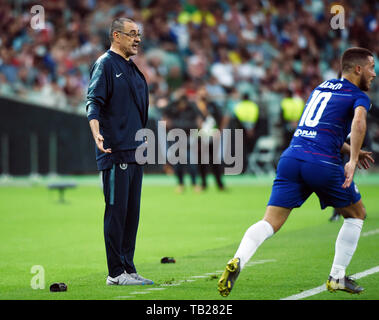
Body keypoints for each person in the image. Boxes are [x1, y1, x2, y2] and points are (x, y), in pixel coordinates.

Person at [218, 47, 376, 297]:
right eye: (371, 67)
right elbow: (359, 122)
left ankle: (238, 259)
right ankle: (337, 276)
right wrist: (353, 158)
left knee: (269, 222)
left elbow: (317, 128)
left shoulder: (321, 87)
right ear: (358, 69)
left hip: (291, 158)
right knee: (356, 214)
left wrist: (348, 149)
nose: (374, 74)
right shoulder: (358, 96)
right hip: (321, 163)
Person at [86, 17, 153, 286]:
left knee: (131, 214)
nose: (137, 39)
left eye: (139, 34)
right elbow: (93, 101)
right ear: (116, 36)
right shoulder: (105, 65)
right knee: (116, 212)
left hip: (134, 152)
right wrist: (96, 131)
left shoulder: (131, 68)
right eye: (132, 34)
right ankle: (115, 273)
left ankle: (128, 266)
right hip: (115, 152)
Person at [195, 86, 225, 191]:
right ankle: (203, 184)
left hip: (212, 136)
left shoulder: (213, 106)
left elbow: (221, 118)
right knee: (201, 162)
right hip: (200, 137)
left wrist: (219, 130)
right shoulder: (196, 107)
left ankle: (220, 184)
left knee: (215, 161)